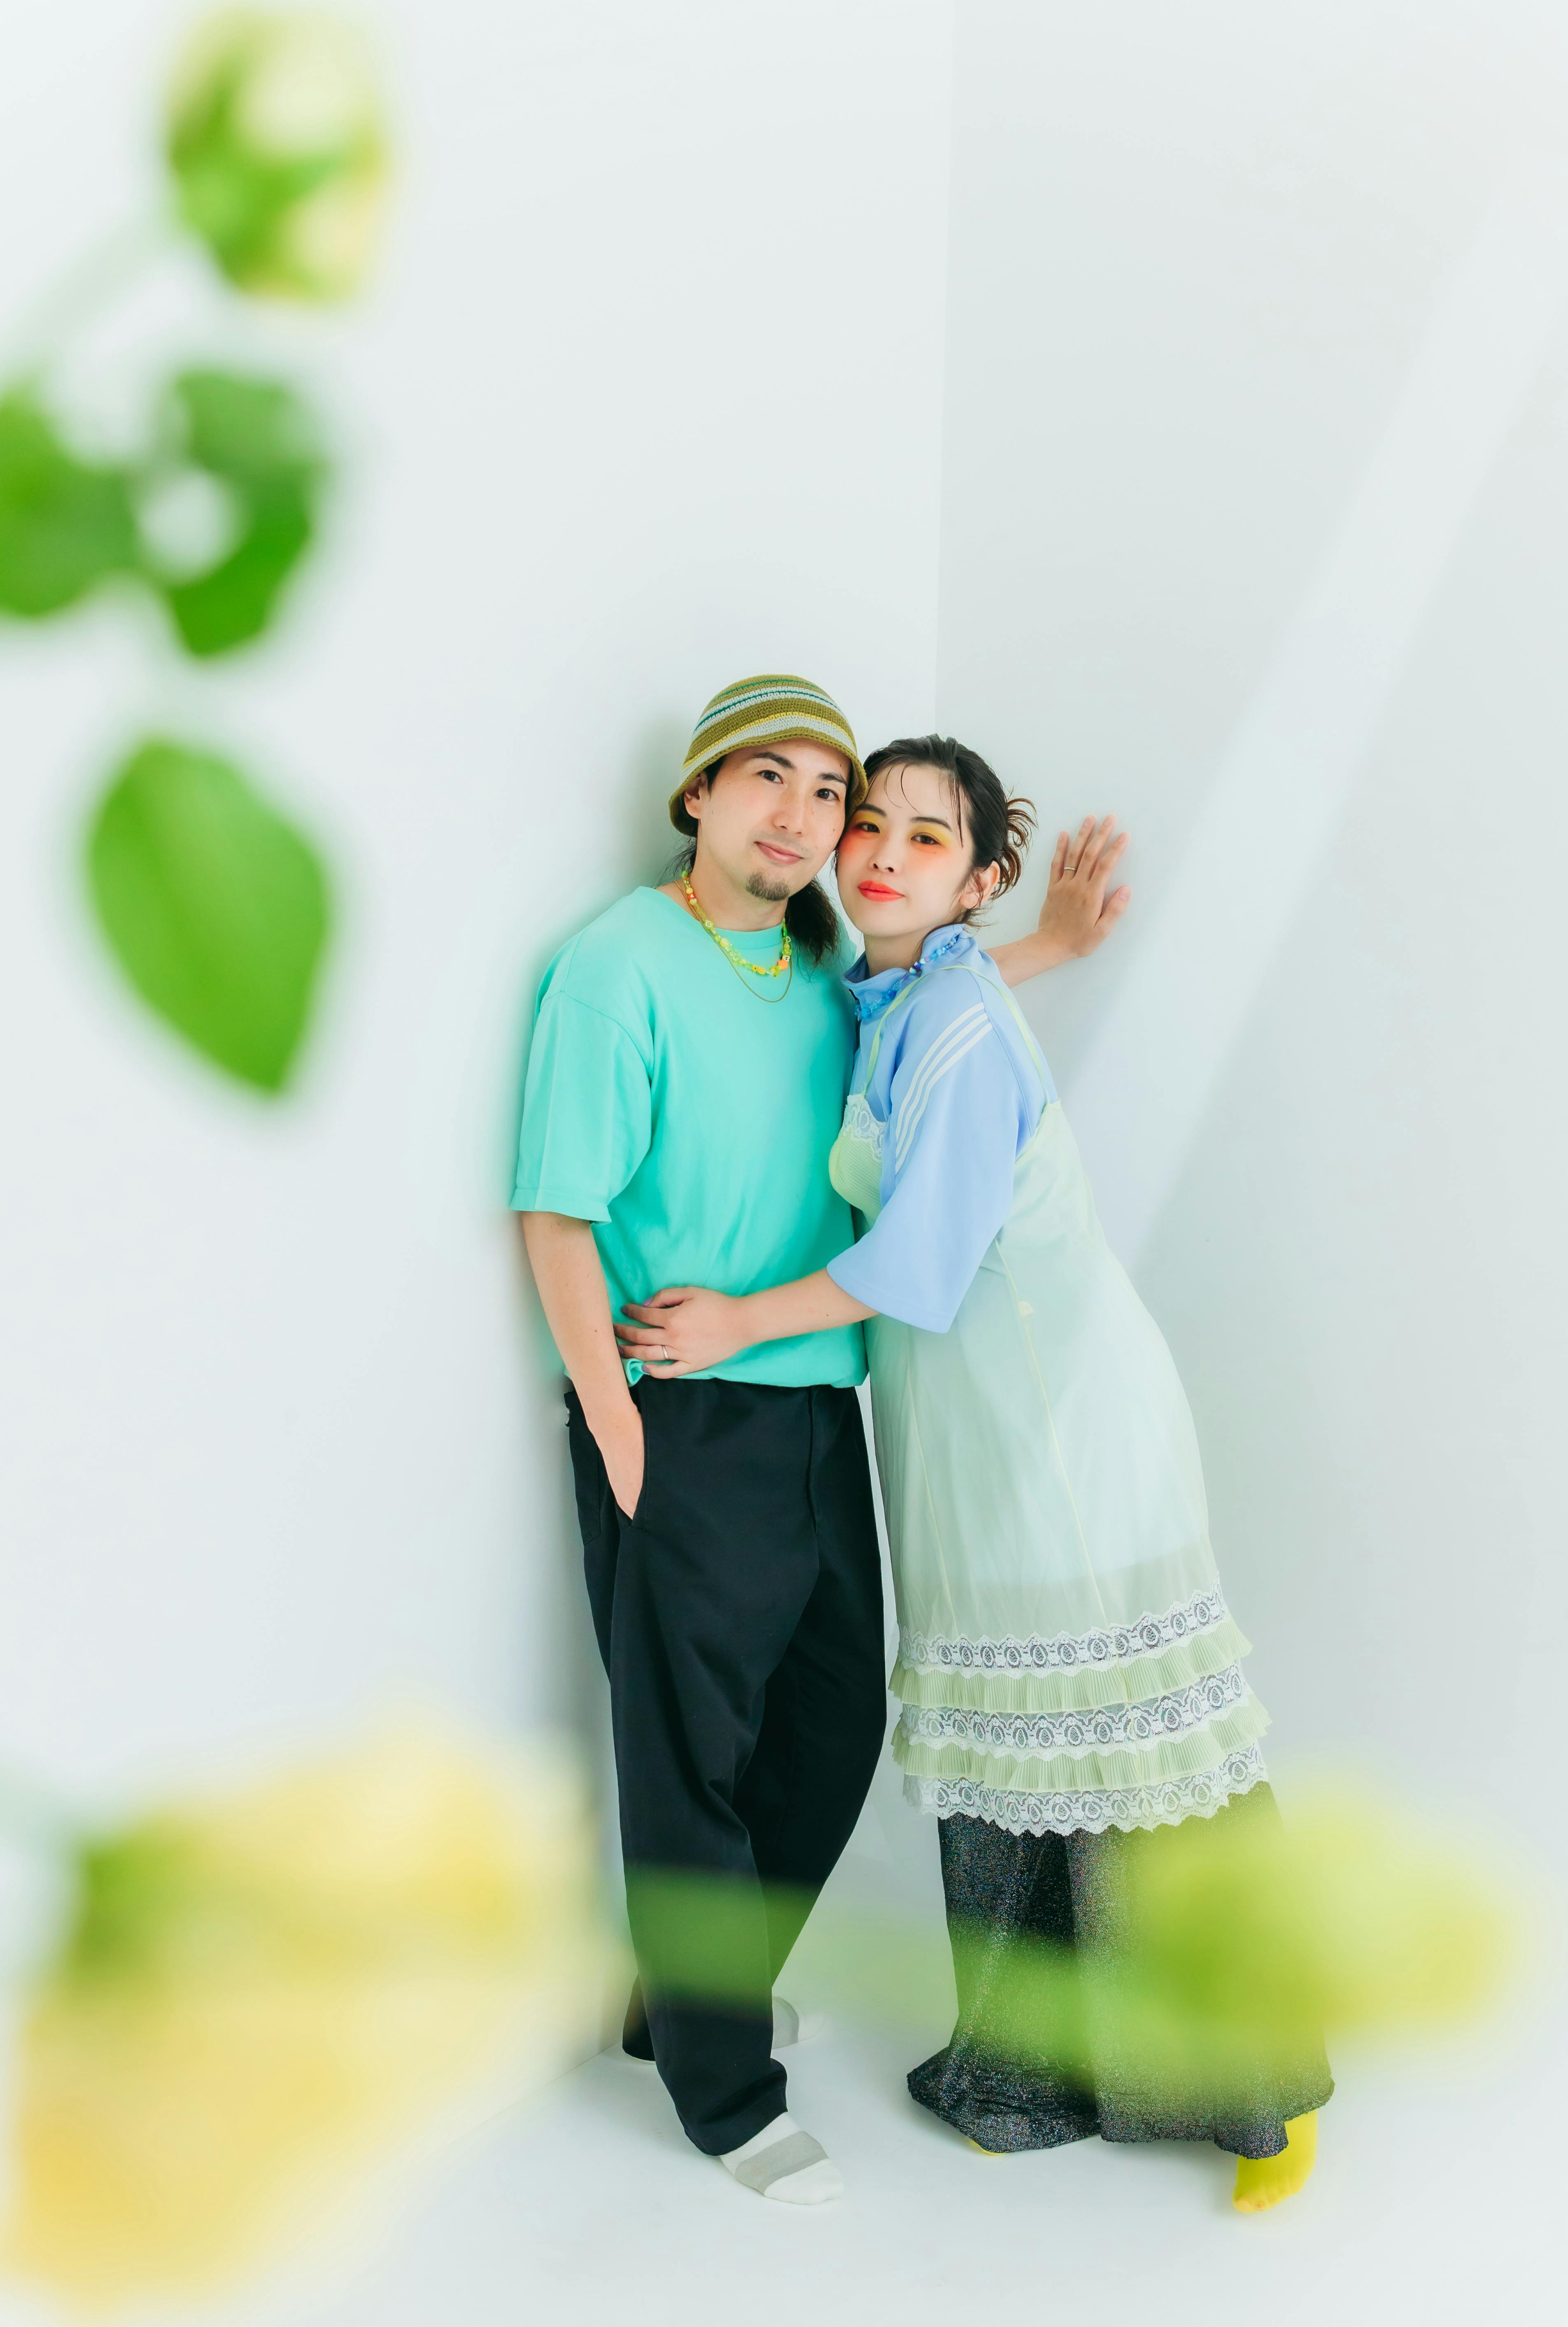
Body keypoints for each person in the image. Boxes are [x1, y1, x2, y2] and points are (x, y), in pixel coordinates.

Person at [615, 733, 1334, 2213]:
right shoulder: (898, 992)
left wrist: (739, 1320)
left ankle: (1265, 2088)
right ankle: (1030, 2071)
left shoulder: (953, 1025)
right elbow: (929, 1003)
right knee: (1021, 1750)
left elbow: (921, 1261)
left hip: (1059, 1427)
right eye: (868, 822)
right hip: (971, 1431)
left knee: (1131, 1751)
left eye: (927, 838)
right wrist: (1048, 944)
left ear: (978, 874)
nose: (880, 851)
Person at [513, 679, 1126, 2206]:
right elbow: (556, 1213)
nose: (802, 818)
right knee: (688, 1761)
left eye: (828, 793)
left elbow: (924, 1010)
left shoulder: (810, 963)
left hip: (816, 1403)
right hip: (680, 1414)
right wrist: (615, 1422)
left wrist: (1048, 947)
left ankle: (684, 2001)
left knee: (834, 1725)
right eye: (766, 780)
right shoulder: (617, 967)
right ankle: (726, 2096)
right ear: (699, 795)